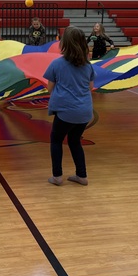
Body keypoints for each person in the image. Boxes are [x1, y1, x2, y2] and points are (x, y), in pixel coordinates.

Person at [44, 26, 95, 186]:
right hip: (84, 112)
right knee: (74, 141)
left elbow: (49, 88)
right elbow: (90, 87)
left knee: (56, 139)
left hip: (66, 111)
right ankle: (82, 175)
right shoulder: (87, 65)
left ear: (64, 43)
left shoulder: (57, 64)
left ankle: (57, 176)